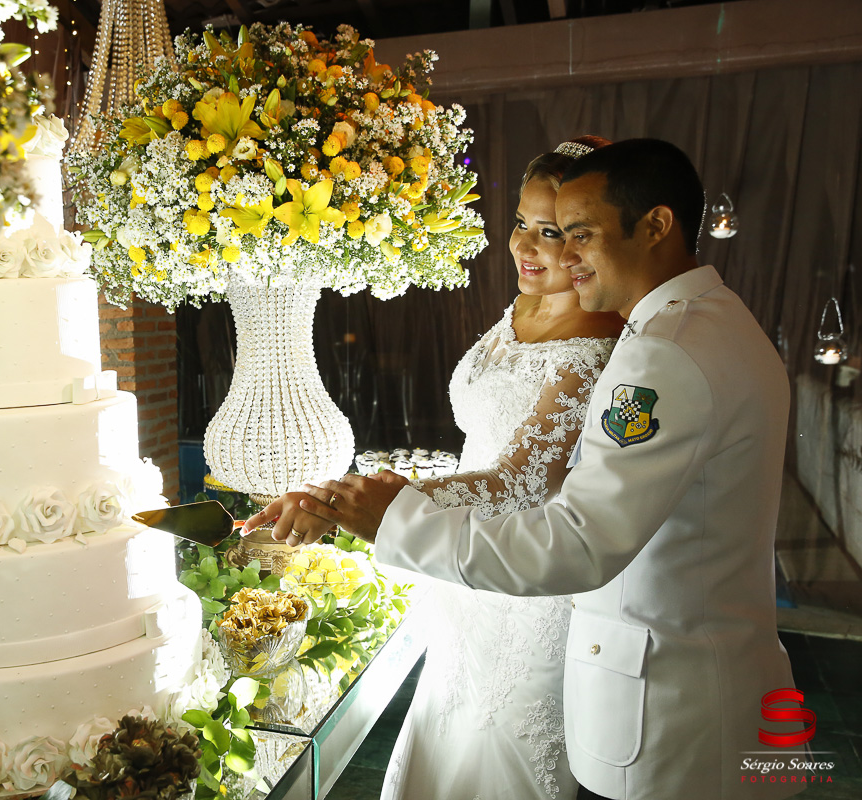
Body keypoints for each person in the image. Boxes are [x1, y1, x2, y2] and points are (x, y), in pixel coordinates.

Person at [249, 139, 801, 799]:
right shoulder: (717, 323)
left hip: (671, 713)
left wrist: (392, 516)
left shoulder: (663, 356)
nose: (563, 257)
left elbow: (576, 543)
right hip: (705, 690)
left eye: (579, 235)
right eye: (547, 231)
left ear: (655, 226)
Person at [256, 136, 624, 799]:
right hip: (461, 573)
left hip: (524, 582)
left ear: (586, 241)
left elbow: (519, 480)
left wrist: (357, 501)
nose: (526, 247)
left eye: (551, 232)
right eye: (521, 223)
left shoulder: (597, 336)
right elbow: (482, 442)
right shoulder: (522, 304)